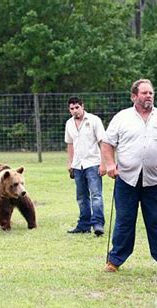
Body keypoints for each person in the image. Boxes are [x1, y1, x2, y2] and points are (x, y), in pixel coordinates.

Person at [102, 79, 157, 275]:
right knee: (124, 220)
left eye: (151, 93)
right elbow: (107, 143)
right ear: (134, 96)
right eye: (144, 93)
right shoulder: (122, 118)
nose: (149, 96)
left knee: (155, 221)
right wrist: (110, 164)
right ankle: (114, 260)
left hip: (154, 181)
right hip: (126, 179)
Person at [64, 96, 106, 236]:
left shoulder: (94, 120)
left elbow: (102, 141)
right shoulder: (69, 124)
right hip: (78, 165)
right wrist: (70, 162)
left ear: (82, 106)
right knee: (81, 197)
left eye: (77, 107)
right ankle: (84, 225)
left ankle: (98, 224)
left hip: (93, 163)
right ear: (69, 110)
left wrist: (104, 163)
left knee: (96, 195)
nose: (75, 111)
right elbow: (70, 144)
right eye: (72, 109)